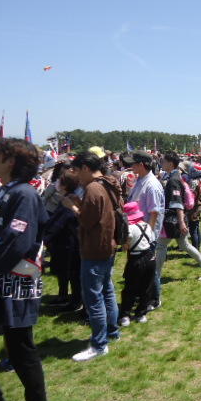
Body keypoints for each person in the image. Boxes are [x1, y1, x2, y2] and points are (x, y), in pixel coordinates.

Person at [0, 138, 48, 401]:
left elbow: (17, 241)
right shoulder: (4, 191)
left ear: (10, 161)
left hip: (16, 283)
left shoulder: (25, 194)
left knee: (21, 351)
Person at [66, 152, 122, 362]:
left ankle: (99, 344)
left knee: (94, 298)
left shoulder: (93, 188)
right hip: (108, 245)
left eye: (77, 170)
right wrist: (80, 203)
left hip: (95, 249)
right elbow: (98, 214)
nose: (76, 175)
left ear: (86, 168)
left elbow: (87, 221)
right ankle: (112, 332)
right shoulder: (108, 183)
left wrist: (72, 207)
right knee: (107, 291)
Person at [155, 152, 201, 282]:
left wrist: (181, 222)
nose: (161, 163)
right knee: (184, 245)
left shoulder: (174, 180)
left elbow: (177, 203)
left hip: (173, 220)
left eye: (163, 161)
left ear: (171, 163)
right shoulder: (174, 177)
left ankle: (156, 276)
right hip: (176, 219)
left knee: (161, 246)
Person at [127, 151, 165, 309]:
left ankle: (154, 299)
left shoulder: (151, 185)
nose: (131, 166)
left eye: (133, 164)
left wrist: (148, 236)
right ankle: (143, 296)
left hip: (146, 235)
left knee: (148, 269)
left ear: (141, 165)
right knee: (140, 269)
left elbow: (154, 212)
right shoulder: (141, 180)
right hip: (138, 234)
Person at [43, 170, 82, 310]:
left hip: (68, 243)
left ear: (65, 185)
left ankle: (75, 301)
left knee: (71, 273)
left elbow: (60, 222)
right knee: (64, 272)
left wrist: (44, 239)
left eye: (60, 181)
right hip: (63, 242)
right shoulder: (65, 198)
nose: (57, 183)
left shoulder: (69, 200)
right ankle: (64, 296)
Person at [118, 202, 156, 326]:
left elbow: (125, 247)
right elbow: (151, 241)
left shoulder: (129, 229)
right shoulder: (147, 225)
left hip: (136, 259)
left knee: (130, 288)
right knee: (147, 287)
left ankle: (125, 315)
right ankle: (141, 313)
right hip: (150, 258)